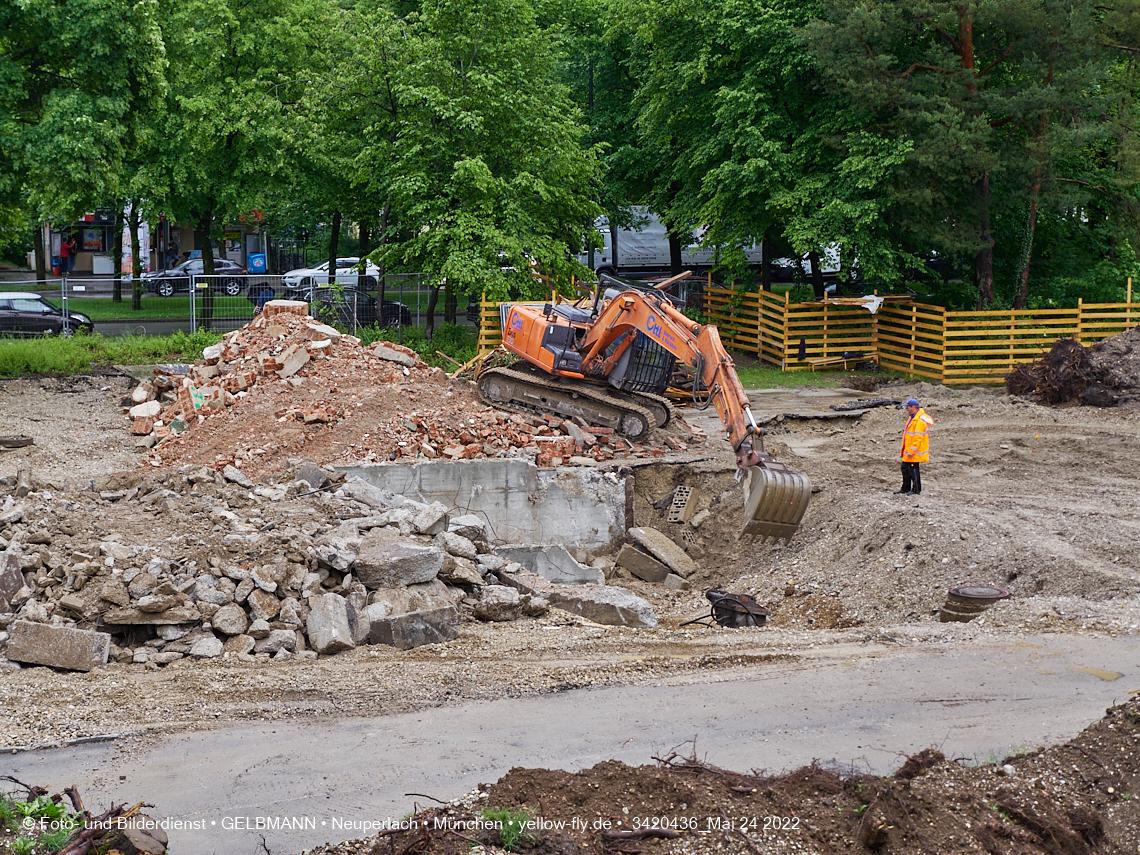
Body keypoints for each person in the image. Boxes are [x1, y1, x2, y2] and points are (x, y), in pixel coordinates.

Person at [896, 397, 933, 496]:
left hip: (914, 452)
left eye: (908, 407)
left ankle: (916, 489)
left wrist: (911, 451)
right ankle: (905, 488)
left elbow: (917, 438)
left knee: (913, 471)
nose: (907, 409)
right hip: (909, 451)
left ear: (913, 407)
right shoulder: (913, 418)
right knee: (905, 469)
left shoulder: (919, 421)